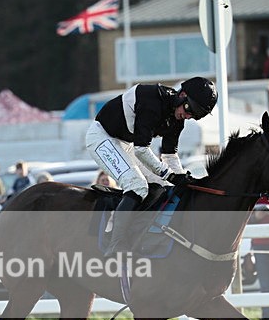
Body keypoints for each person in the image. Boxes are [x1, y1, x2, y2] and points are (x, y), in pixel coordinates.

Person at [85, 76, 217, 256]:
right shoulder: (153, 101)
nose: (187, 116)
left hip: (125, 143)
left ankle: (140, 232)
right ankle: (116, 242)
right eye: (189, 109)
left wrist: (181, 178)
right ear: (182, 95)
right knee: (137, 185)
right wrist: (169, 174)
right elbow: (141, 150)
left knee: (164, 186)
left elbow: (170, 155)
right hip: (101, 137)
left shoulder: (178, 118)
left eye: (193, 115)